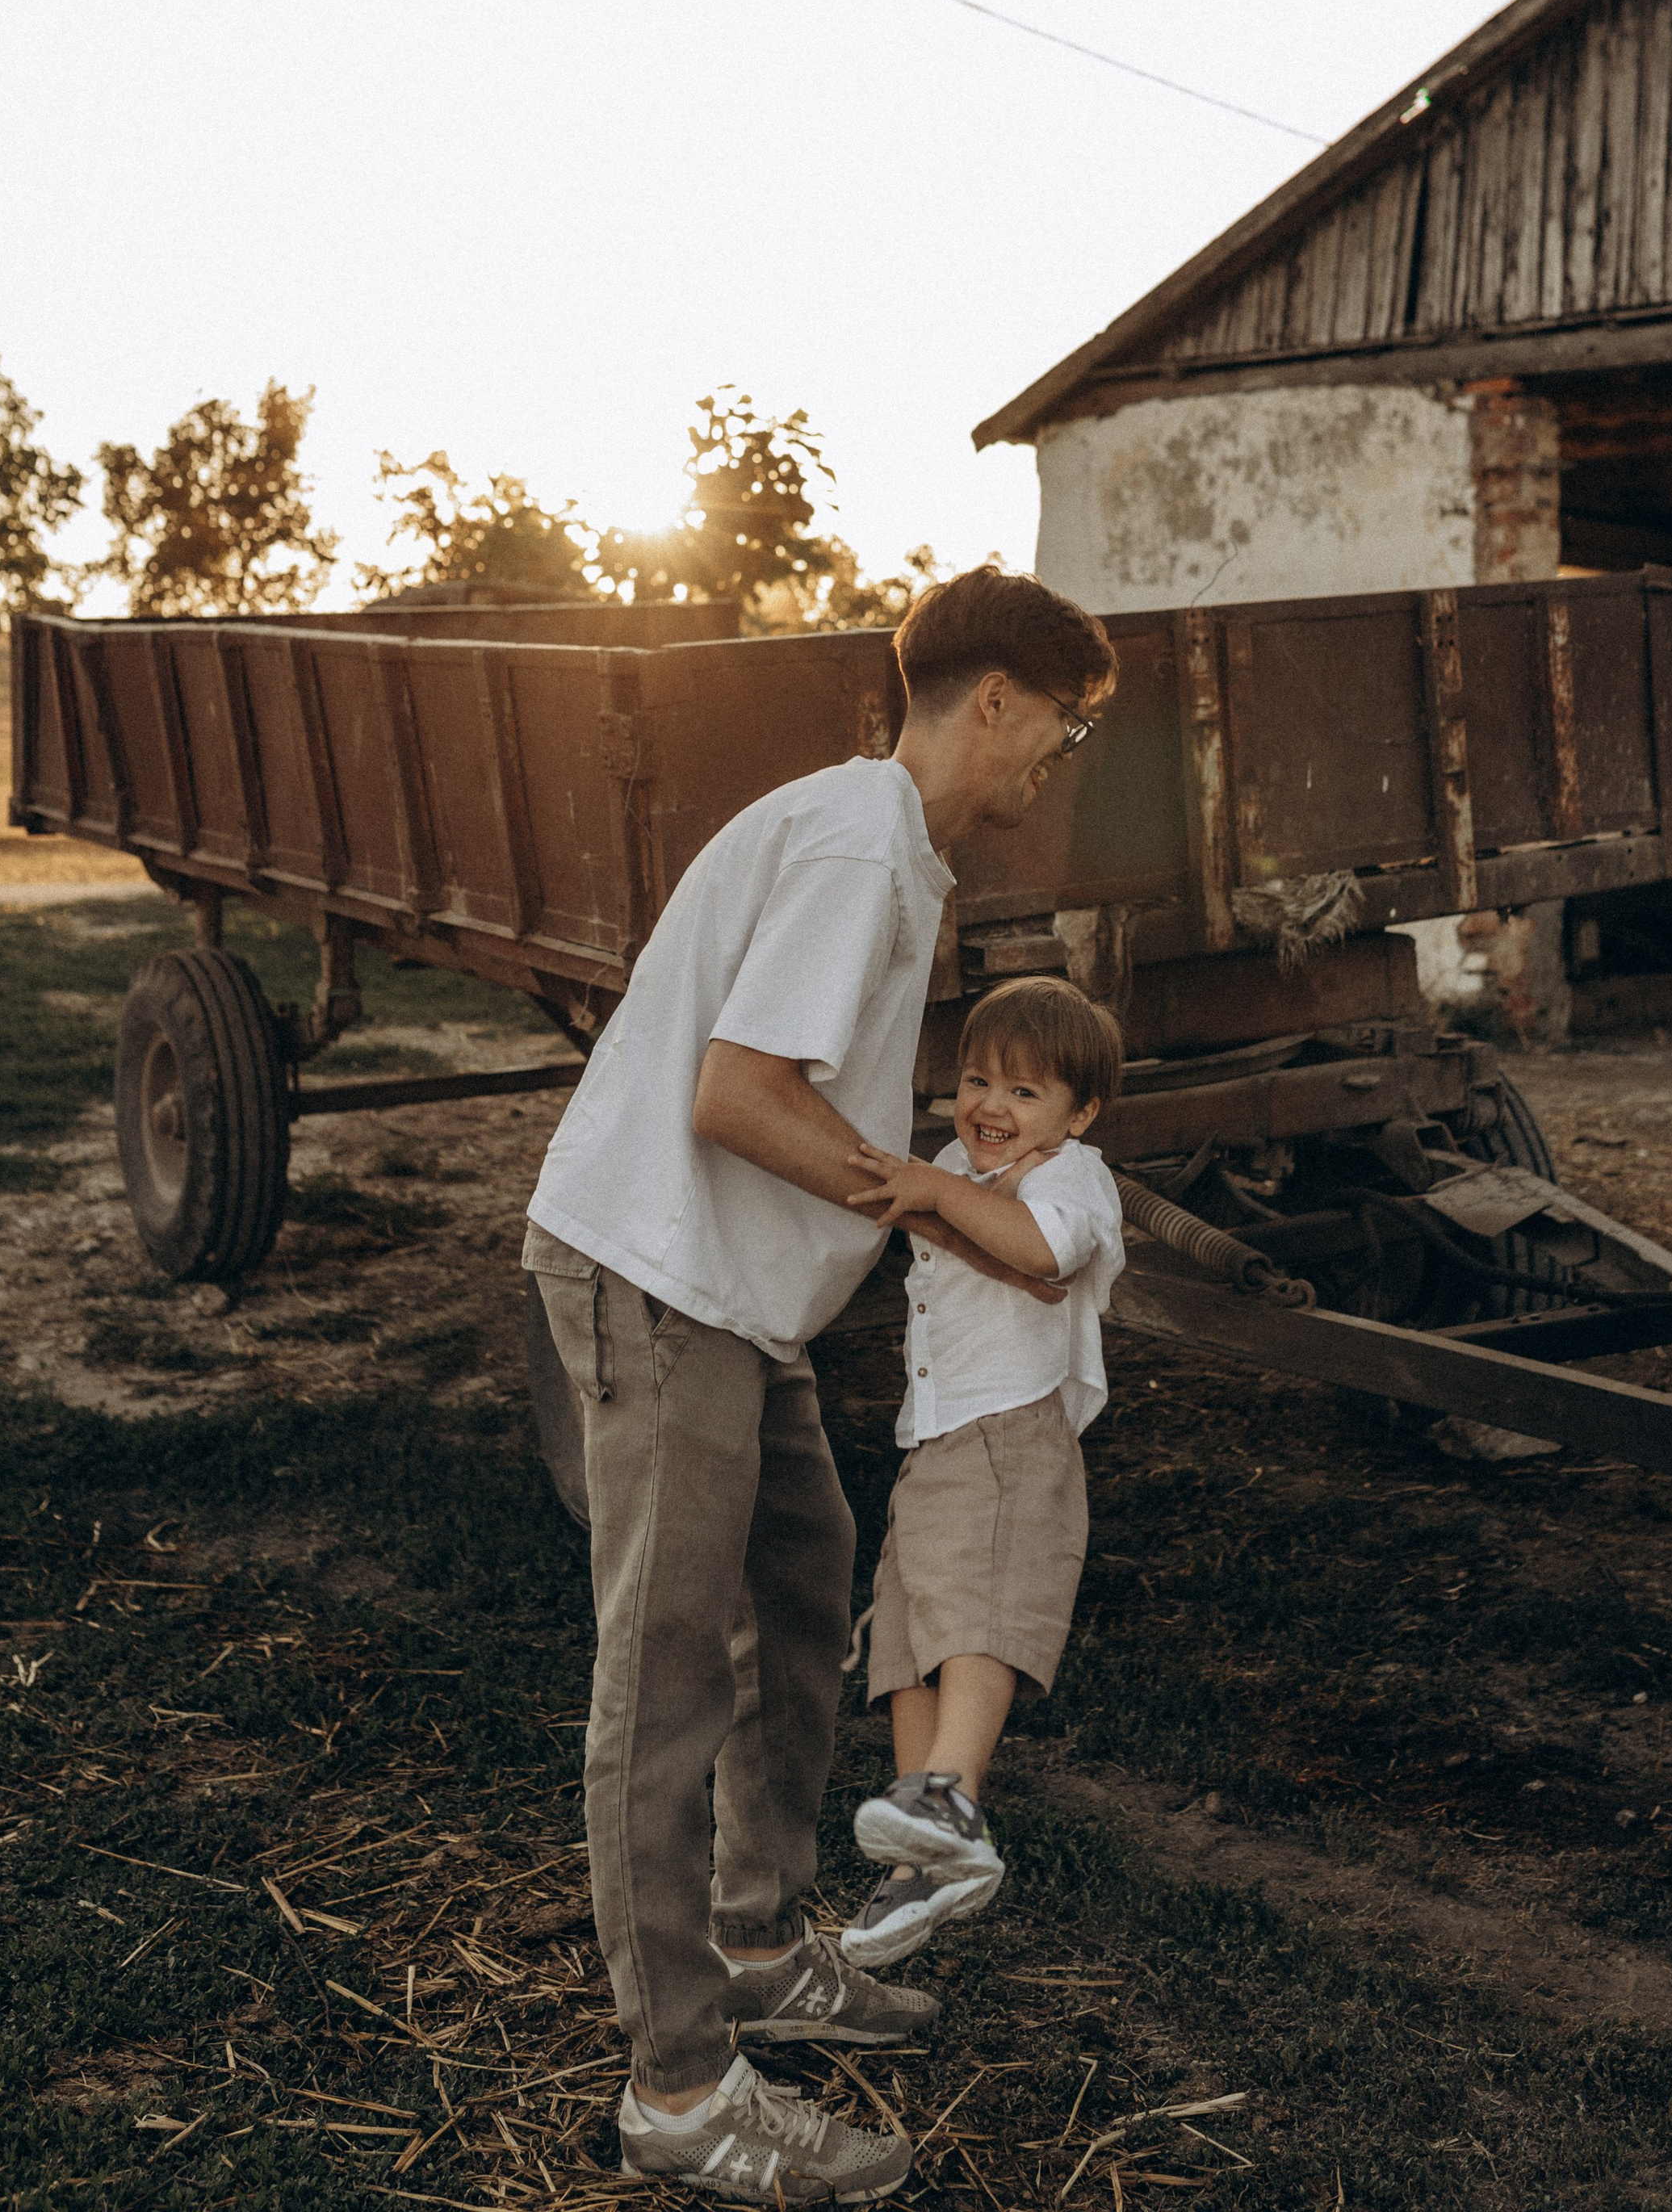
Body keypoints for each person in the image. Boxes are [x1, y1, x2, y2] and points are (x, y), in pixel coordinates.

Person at [522, 568, 1116, 2203]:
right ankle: (681, 2088)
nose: (1044, 771)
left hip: (733, 1300)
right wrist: (917, 1194)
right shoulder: (863, 846)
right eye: (1052, 738)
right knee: (662, 1681)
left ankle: (757, 1940)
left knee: (798, 1593)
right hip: (656, 1277)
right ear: (989, 699)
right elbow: (734, 1095)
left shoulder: (880, 844)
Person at [834, 976, 1128, 1969]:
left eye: (1026, 1093)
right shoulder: (958, 1163)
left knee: (976, 1609)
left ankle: (951, 1800)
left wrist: (935, 1188)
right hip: (938, 1435)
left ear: (1078, 1114)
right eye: (975, 1080)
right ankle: (918, 1862)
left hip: (1009, 1429)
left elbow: (1045, 1251)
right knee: (911, 1630)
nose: (991, 1108)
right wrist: (930, 1181)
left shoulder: (1071, 1175)